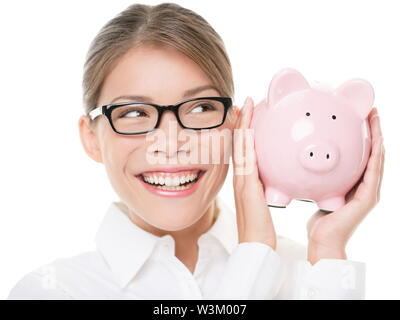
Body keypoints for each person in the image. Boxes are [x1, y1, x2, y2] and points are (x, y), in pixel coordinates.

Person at [7, 2, 384, 300]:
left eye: (200, 108)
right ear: (91, 137)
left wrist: (327, 246)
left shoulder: (313, 271)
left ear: (237, 126)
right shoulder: (55, 291)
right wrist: (253, 254)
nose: (170, 143)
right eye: (135, 113)